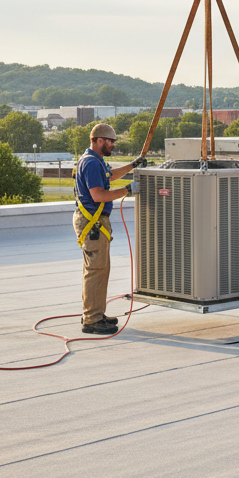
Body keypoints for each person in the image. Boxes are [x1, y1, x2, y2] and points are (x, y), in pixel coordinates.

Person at [73, 123, 145, 333]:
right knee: (96, 271)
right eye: (110, 141)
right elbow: (98, 195)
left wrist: (132, 165)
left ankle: (96, 313)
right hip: (92, 224)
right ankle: (92, 320)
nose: (113, 144)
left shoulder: (96, 160)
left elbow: (110, 175)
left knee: (99, 270)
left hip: (95, 224)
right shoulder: (91, 163)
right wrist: (127, 190)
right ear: (98, 140)